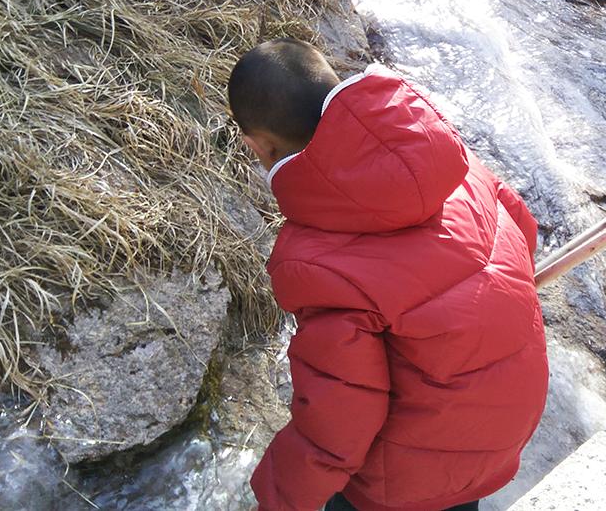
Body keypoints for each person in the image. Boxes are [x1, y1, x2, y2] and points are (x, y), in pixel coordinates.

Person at [228, 38, 549, 511]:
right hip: (505, 426)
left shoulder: (315, 263)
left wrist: (278, 500)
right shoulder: (449, 160)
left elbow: (339, 421)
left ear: (259, 145)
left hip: (413, 470)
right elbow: (522, 228)